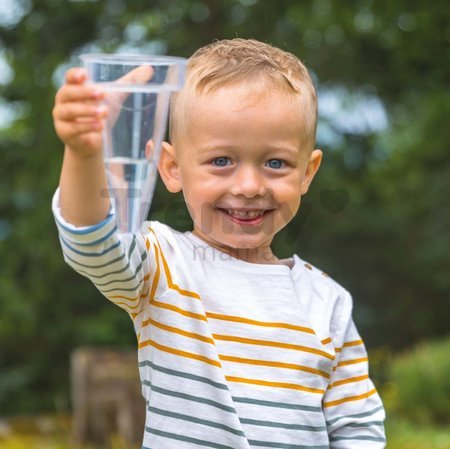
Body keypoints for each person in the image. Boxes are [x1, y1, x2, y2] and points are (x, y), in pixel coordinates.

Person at [52, 38, 386, 448]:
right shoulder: (163, 265)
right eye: (221, 161)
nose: (248, 186)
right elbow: (92, 245)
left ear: (307, 172)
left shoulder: (328, 303)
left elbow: (358, 428)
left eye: (275, 163)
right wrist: (84, 155)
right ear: (172, 169)